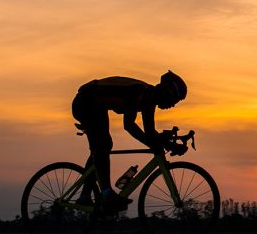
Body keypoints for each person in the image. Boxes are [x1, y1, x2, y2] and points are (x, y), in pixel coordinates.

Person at [71, 71, 188, 211]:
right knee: (104, 144)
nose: (173, 105)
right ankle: (106, 194)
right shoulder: (139, 92)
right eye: (174, 100)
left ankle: (85, 196)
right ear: (167, 93)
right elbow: (129, 125)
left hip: (96, 105)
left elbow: (150, 133)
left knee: (100, 149)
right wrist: (157, 144)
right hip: (85, 102)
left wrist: (170, 145)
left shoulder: (149, 101)